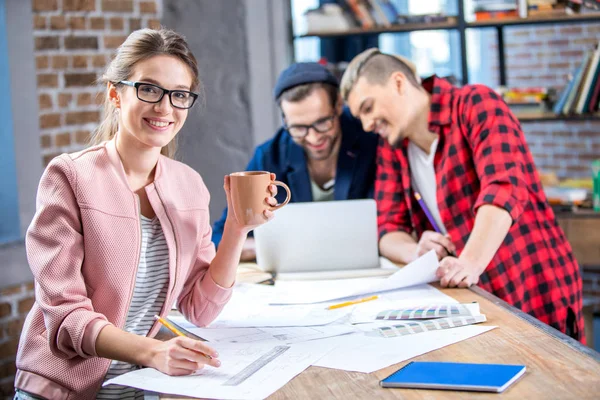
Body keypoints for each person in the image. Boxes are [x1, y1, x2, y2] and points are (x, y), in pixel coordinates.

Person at [14, 29, 278, 400]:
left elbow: (199, 309)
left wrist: (237, 226)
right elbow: (65, 318)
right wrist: (153, 352)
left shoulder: (189, 185)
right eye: (149, 89)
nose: (165, 108)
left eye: (179, 95)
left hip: (138, 386)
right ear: (115, 94)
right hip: (64, 389)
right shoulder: (70, 176)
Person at [340, 48, 584, 341]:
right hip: (476, 298)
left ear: (398, 83)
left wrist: (469, 262)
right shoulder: (393, 147)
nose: (367, 125)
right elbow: (388, 229)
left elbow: (503, 188)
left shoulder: (476, 104)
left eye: (368, 108)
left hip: (532, 285)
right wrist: (415, 250)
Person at [212, 62, 379, 261]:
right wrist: (266, 247)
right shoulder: (270, 156)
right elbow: (219, 238)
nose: (313, 138)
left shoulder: (371, 140)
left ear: (338, 106)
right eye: (299, 128)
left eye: (323, 122)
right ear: (285, 120)